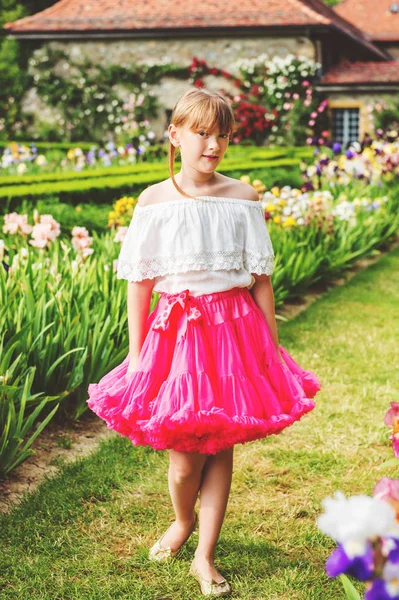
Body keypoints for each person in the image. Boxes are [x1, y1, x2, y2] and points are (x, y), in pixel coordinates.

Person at [87, 87, 322, 597]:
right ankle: (181, 519)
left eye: (222, 135)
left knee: (221, 443)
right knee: (183, 457)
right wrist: (135, 352)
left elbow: (260, 280)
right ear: (174, 134)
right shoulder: (154, 203)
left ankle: (205, 554)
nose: (212, 145)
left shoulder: (243, 199)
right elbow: (140, 283)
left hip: (234, 332)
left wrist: (271, 351)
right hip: (178, 336)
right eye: (201, 133)